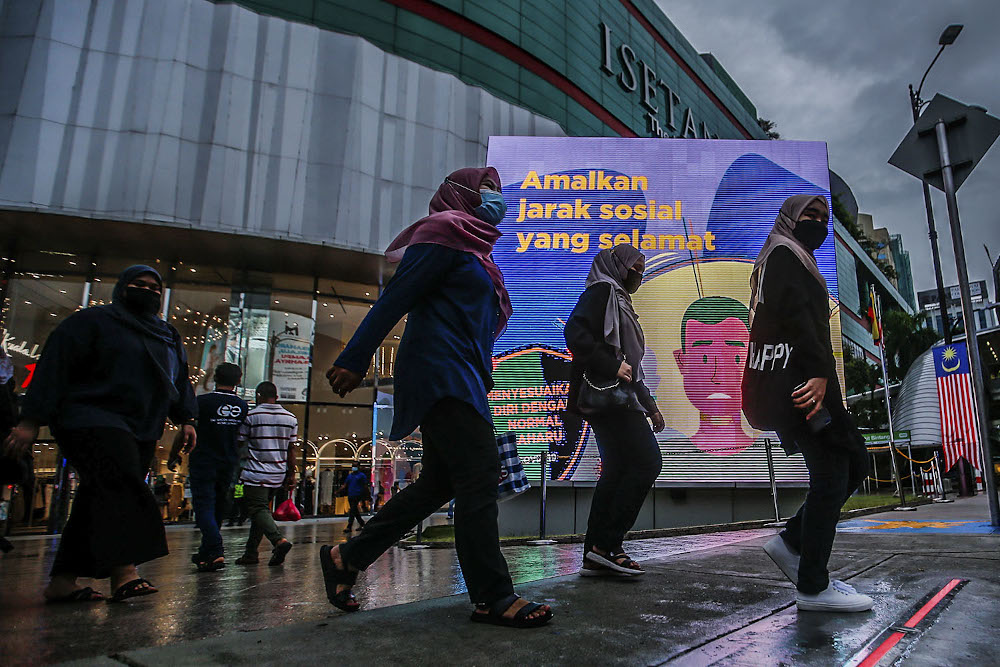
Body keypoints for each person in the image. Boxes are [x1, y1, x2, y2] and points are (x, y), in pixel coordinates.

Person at [321, 167, 552, 628]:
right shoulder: (442, 232)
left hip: (463, 373)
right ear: (460, 194)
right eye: (486, 191)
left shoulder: (476, 250)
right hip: (438, 369)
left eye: (498, 193)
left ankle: (348, 556)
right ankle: (492, 595)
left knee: (442, 482)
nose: (495, 200)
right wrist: (354, 357)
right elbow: (396, 298)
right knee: (480, 475)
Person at [3, 265, 197, 603]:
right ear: (122, 288)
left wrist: (187, 419)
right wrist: (30, 420)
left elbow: (177, 381)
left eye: (155, 287)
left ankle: (63, 580)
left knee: (98, 494)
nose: (148, 290)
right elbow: (54, 367)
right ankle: (125, 571)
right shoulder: (92, 322)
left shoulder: (167, 335)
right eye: (140, 284)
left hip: (142, 425)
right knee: (122, 483)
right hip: (90, 417)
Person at [751, 194, 873, 612]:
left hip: (807, 382)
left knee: (855, 463)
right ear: (790, 218)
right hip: (803, 386)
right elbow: (799, 317)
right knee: (834, 472)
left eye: (824, 217)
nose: (819, 223)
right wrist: (820, 372)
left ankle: (791, 543)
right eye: (810, 215)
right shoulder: (785, 255)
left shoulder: (792, 256)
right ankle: (813, 586)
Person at [565, 244, 664, 578]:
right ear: (617, 265)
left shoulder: (619, 297)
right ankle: (608, 545)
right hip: (609, 399)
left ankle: (597, 552)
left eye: (642, 265)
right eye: (635, 265)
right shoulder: (603, 290)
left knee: (617, 470)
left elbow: (631, 365)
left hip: (618, 400)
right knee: (647, 462)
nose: (639, 271)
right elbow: (574, 333)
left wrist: (650, 406)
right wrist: (610, 365)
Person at [182, 362, 248, 571]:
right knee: (218, 505)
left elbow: (188, 429)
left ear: (214, 378)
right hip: (228, 460)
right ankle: (206, 552)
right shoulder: (242, 407)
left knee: (203, 505)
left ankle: (216, 549)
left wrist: (178, 453)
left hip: (203, 459)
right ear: (238, 380)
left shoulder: (202, 402)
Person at [234, 381, 296, 567]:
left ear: (258, 396)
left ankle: (278, 540)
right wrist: (291, 474)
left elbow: (240, 443)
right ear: (276, 397)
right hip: (278, 473)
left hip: (255, 473)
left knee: (258, 509)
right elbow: (291, 449)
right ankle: (251, 552)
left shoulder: (252, 416)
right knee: (260, 511)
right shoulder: (290, 418)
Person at [340, 465, 369, 533]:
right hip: (351, 494)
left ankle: (349, 526)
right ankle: (362, 523)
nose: (354, 467)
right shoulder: (350, 476)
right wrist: (339, 490)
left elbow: (365, 485)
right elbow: (345, 484)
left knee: (353, 509)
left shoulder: (361, 475)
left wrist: (366, 495)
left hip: (357, 494)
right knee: (354, 510)